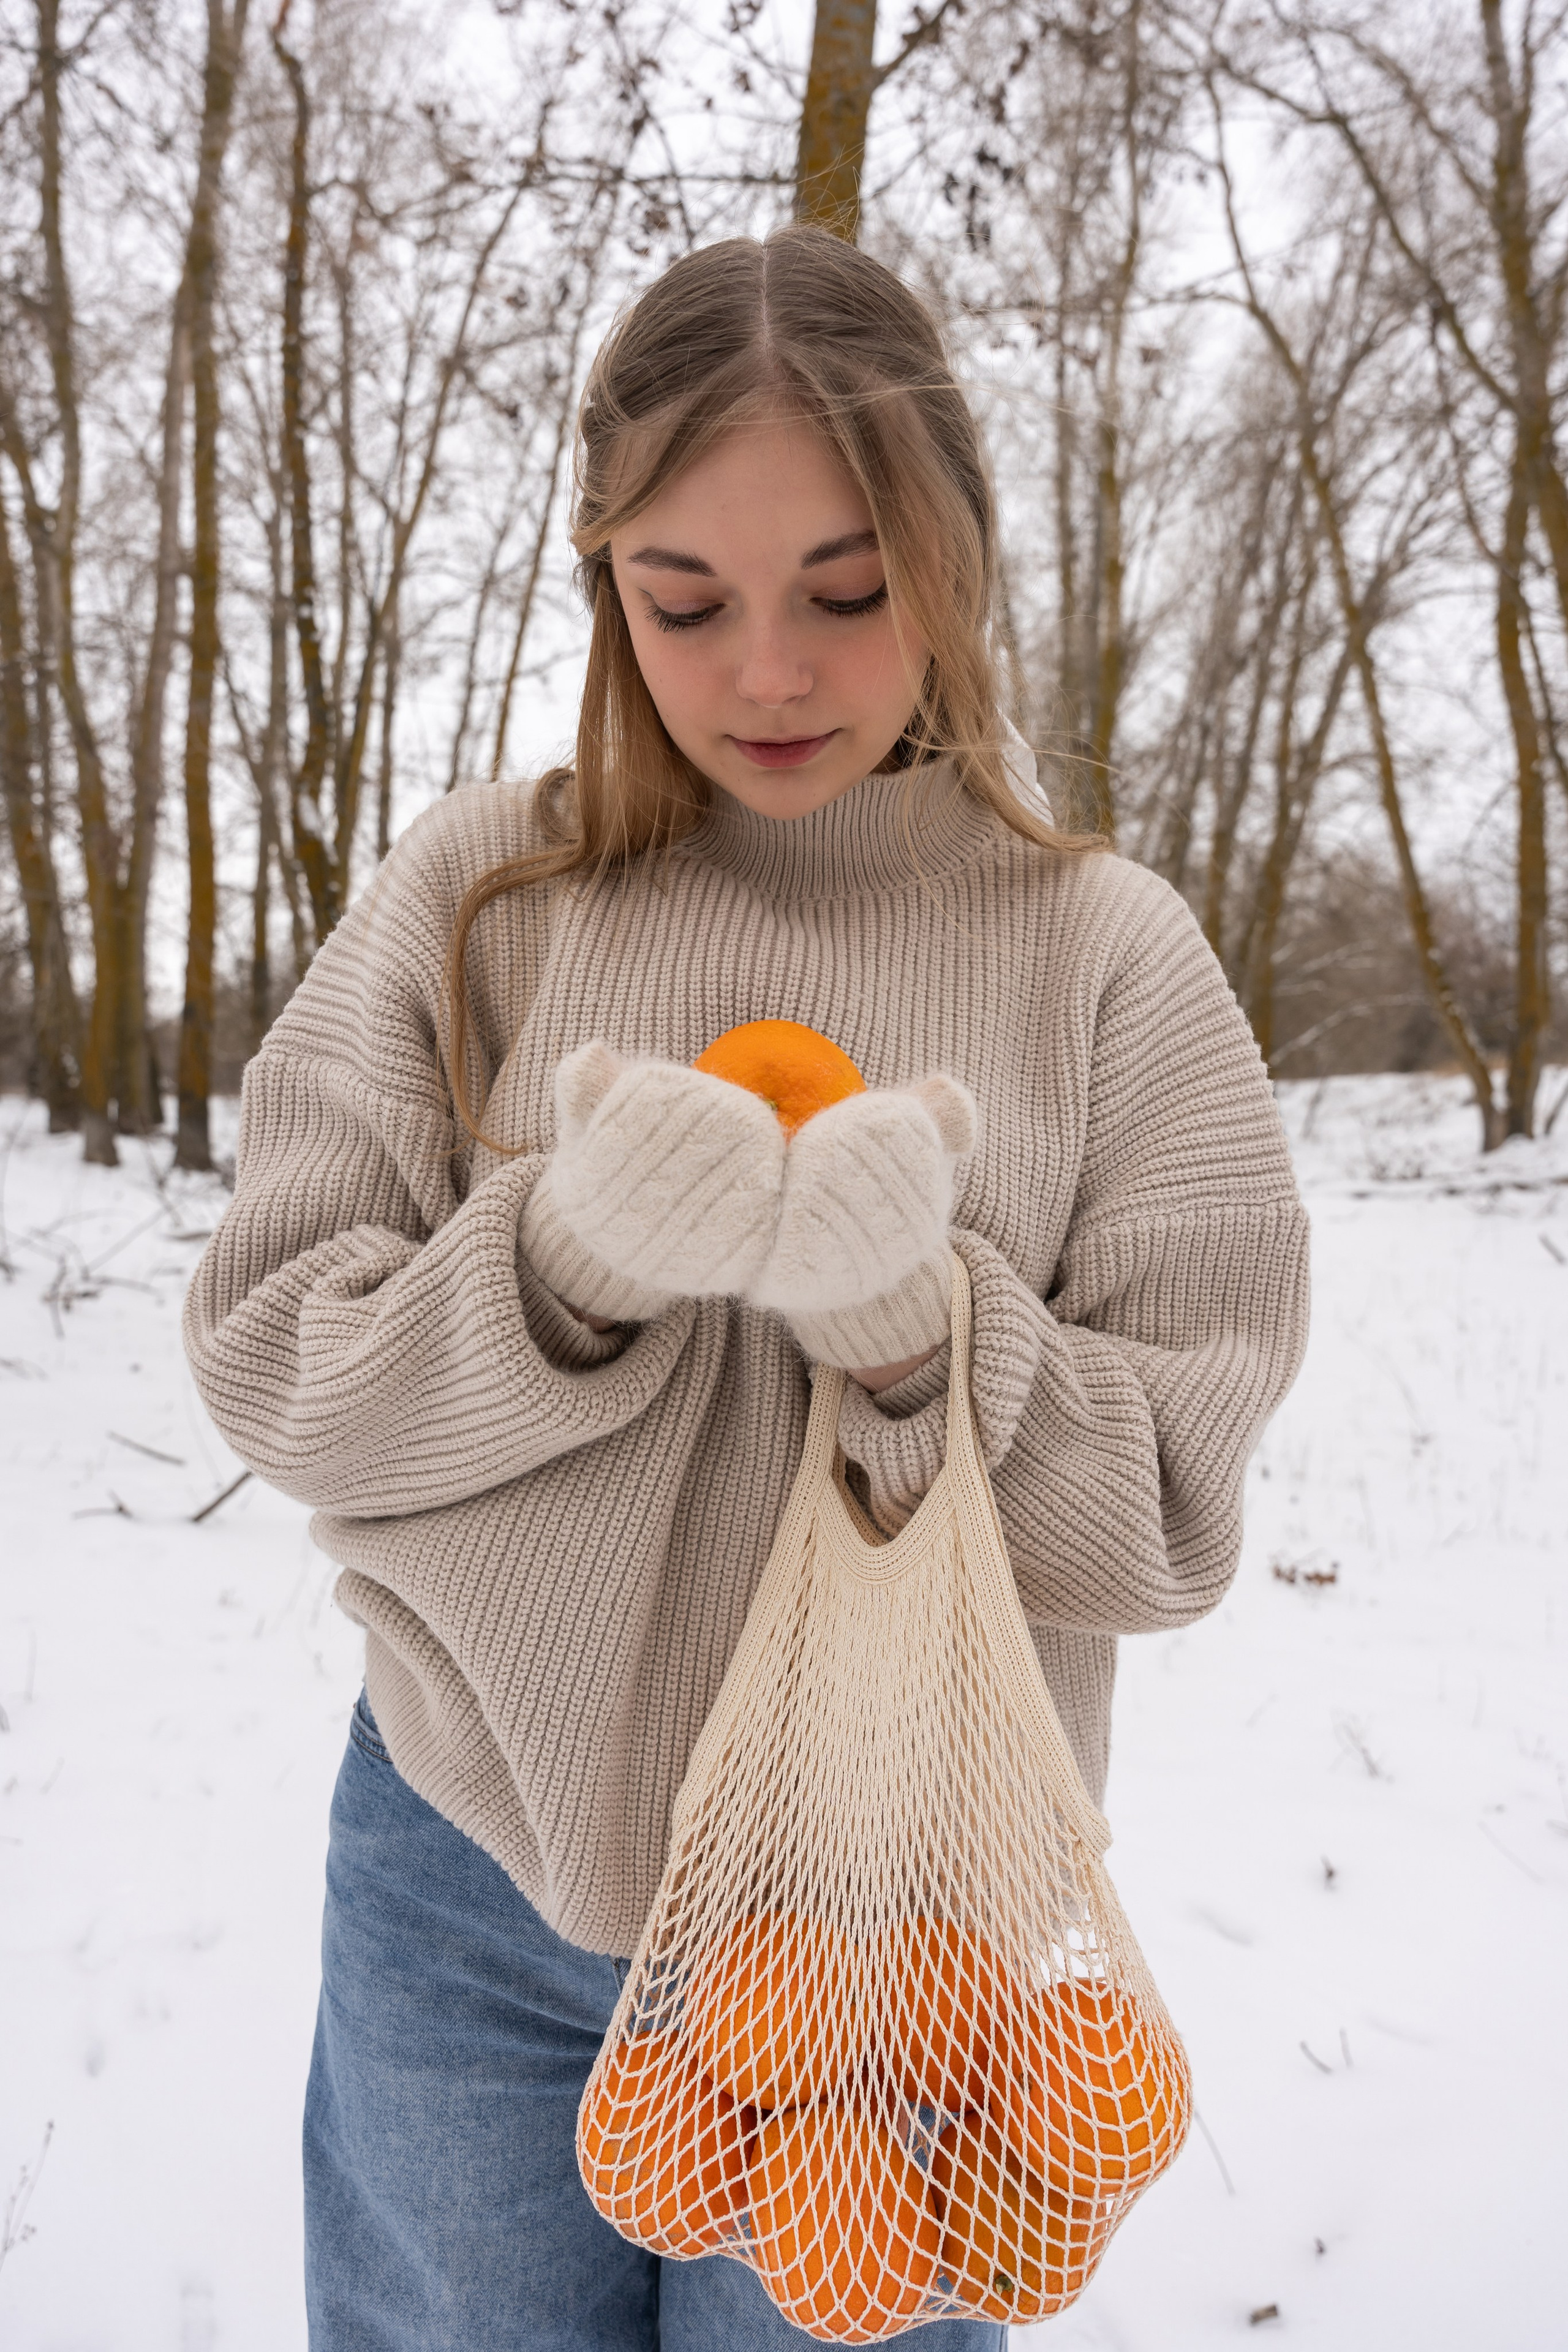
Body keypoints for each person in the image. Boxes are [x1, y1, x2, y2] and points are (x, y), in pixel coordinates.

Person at [184, 224, 1310, 2351]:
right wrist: (565, 1264)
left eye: (848, 591)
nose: (770, 673)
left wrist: (918, 1343)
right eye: (684, 600)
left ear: (954, 560)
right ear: (605, 579)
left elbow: (1167, 1523)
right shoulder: (483, 898)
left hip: (892, 1949)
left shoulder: (1104, 961)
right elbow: (277, 1366)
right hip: (466, 1886)